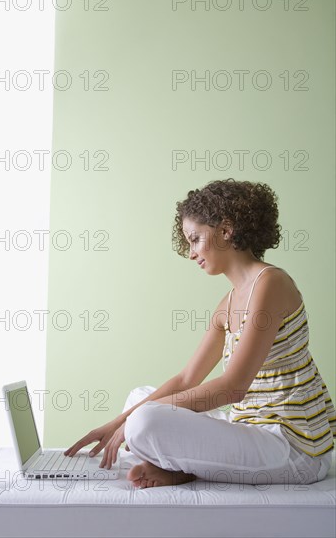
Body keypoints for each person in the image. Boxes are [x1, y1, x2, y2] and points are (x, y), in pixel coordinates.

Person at [64, 178, 335, 489]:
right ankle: (185, 469)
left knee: (145, 419)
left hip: (294, 449)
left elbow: (233, 388)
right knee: (138, 399)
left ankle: (182, 467)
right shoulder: (227, 304)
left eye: (195, 239)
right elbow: (185, 380)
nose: (191, 253)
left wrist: (138, 419)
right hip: (251, 429)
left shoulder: (270, 283)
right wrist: (115, 423)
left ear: (225, 230)